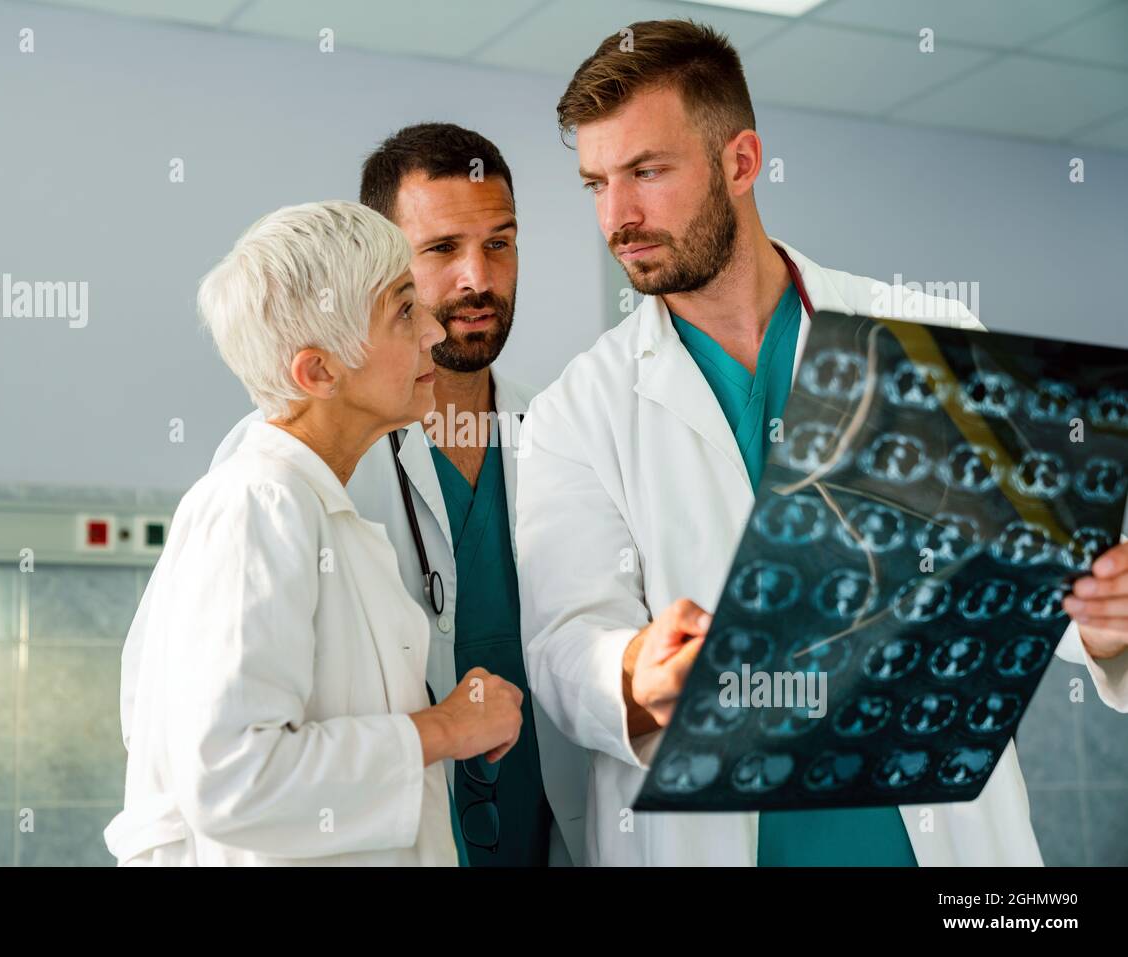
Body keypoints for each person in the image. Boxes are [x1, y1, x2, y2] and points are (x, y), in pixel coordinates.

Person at [515, 18, 1128, 867]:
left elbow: (1033, 580)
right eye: (595, 184)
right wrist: (634, 671)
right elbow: (565, 641)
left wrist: (1103, 621)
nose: (618, 216)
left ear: (740, 161)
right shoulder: (574, 414)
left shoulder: (924, 337)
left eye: (647, 172)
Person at [200, 124, 590, 866]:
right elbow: (216, 744)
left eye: (500, 243)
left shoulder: (564, 434)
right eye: (442, 250)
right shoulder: (287, 462)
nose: (477, 278)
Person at [105, 200, 524, 866]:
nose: (432, 335)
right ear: (318, 372)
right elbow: (236, 779)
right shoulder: (256, 504)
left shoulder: (323, 512)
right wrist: (442, 729)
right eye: (403, 311)